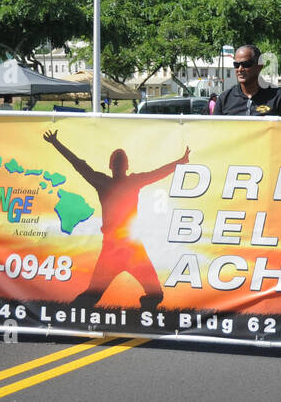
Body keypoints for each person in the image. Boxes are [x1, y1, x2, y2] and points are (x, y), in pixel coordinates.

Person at [43, 130, 189, 309]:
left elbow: (78, 164)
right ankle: (68, 314)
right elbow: (158, 173)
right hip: (127, 248)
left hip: (119, 248)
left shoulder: (103, 181)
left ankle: (65, 316)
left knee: (93, 295)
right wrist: (180, 161)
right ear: (126, 166)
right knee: (153, 294)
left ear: (111, 166)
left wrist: (56, 143)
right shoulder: (130, 181)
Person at [217, 44, 281, 116]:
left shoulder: (279, 97)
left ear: (259, 66)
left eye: (246, 64)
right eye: (236, 65)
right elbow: (214, 129)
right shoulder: (224, 99)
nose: (240, 69)